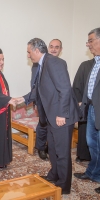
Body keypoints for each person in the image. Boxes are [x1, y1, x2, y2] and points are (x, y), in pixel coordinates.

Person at [16, 38, 80, 194]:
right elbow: (38, 89)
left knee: (62, 152)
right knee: (52, 148)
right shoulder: (42, 64)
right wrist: (23, 99)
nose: (28, 55)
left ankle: (64, 186)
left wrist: (61, 114)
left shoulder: (54, 62)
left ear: (37, 51)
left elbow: (64, 89)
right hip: (51, 116)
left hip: (60, 116)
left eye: (29, 52)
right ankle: (54, 175)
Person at [73, 27, 100, 194]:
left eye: (90, 40)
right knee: (92, 143)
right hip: (91, 109)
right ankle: (93, 173)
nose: (88, 44)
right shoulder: (94, 63)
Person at [35, 39, 63, 161]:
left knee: (52, 129)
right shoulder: (38, 64)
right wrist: (36, 101)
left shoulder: (61, 63)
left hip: (54, 104)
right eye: (51, 46)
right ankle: (41, 148)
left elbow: (63, 88)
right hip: (42, 100)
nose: (53, 49)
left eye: (57, 47)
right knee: (42, 125)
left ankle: (49, 148)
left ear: (60, 49)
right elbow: (35, 84)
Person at [73, 59, 94, 162]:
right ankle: (83, 155)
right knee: (85, 130)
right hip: (86, 105)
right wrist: (79, 102)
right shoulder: (85, 65)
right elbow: (77, 85)